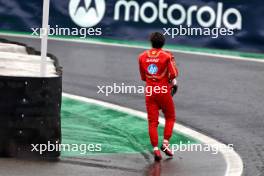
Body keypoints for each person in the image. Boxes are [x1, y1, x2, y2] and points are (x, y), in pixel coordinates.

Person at [138, 32, 179, 161]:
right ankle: (165, 144)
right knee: (170, 117)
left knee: (152, 122)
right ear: (163, 43)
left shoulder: (142, 56)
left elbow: (144, 77)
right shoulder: (167, 56)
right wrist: (172, 83)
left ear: (151, 42)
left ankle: (156, 150)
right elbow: (174, 74)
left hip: (150, 91)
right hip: (163, 91)